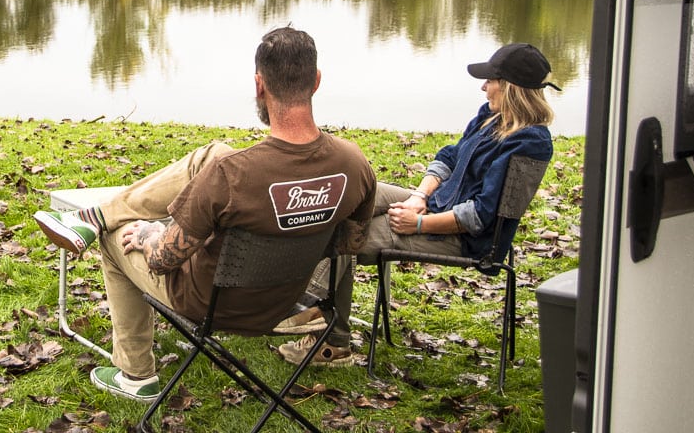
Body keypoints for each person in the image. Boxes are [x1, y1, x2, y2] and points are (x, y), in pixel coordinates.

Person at [32, 26, 376, 402]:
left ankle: (135, 374)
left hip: (210, 304)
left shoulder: (234, 177)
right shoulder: (353, 163)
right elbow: (348, 244)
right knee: (213, 152)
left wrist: (149, 235)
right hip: (284, 301)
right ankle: (96, 214)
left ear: (259, 85)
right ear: (317, 82)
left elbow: (164, 260)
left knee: (115, 239)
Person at [276, 42, 558, 367]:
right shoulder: (492, 117)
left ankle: (326, 337)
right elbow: (449, 157)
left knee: (345, 236)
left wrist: (419, 224)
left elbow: (481, 215)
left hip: (464, 238)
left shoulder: (529, 143)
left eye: (490, 81)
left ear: (511, 88)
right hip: (437, 205)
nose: (483, 86)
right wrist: (418, 197)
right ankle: (306, 306)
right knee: (348, 194)